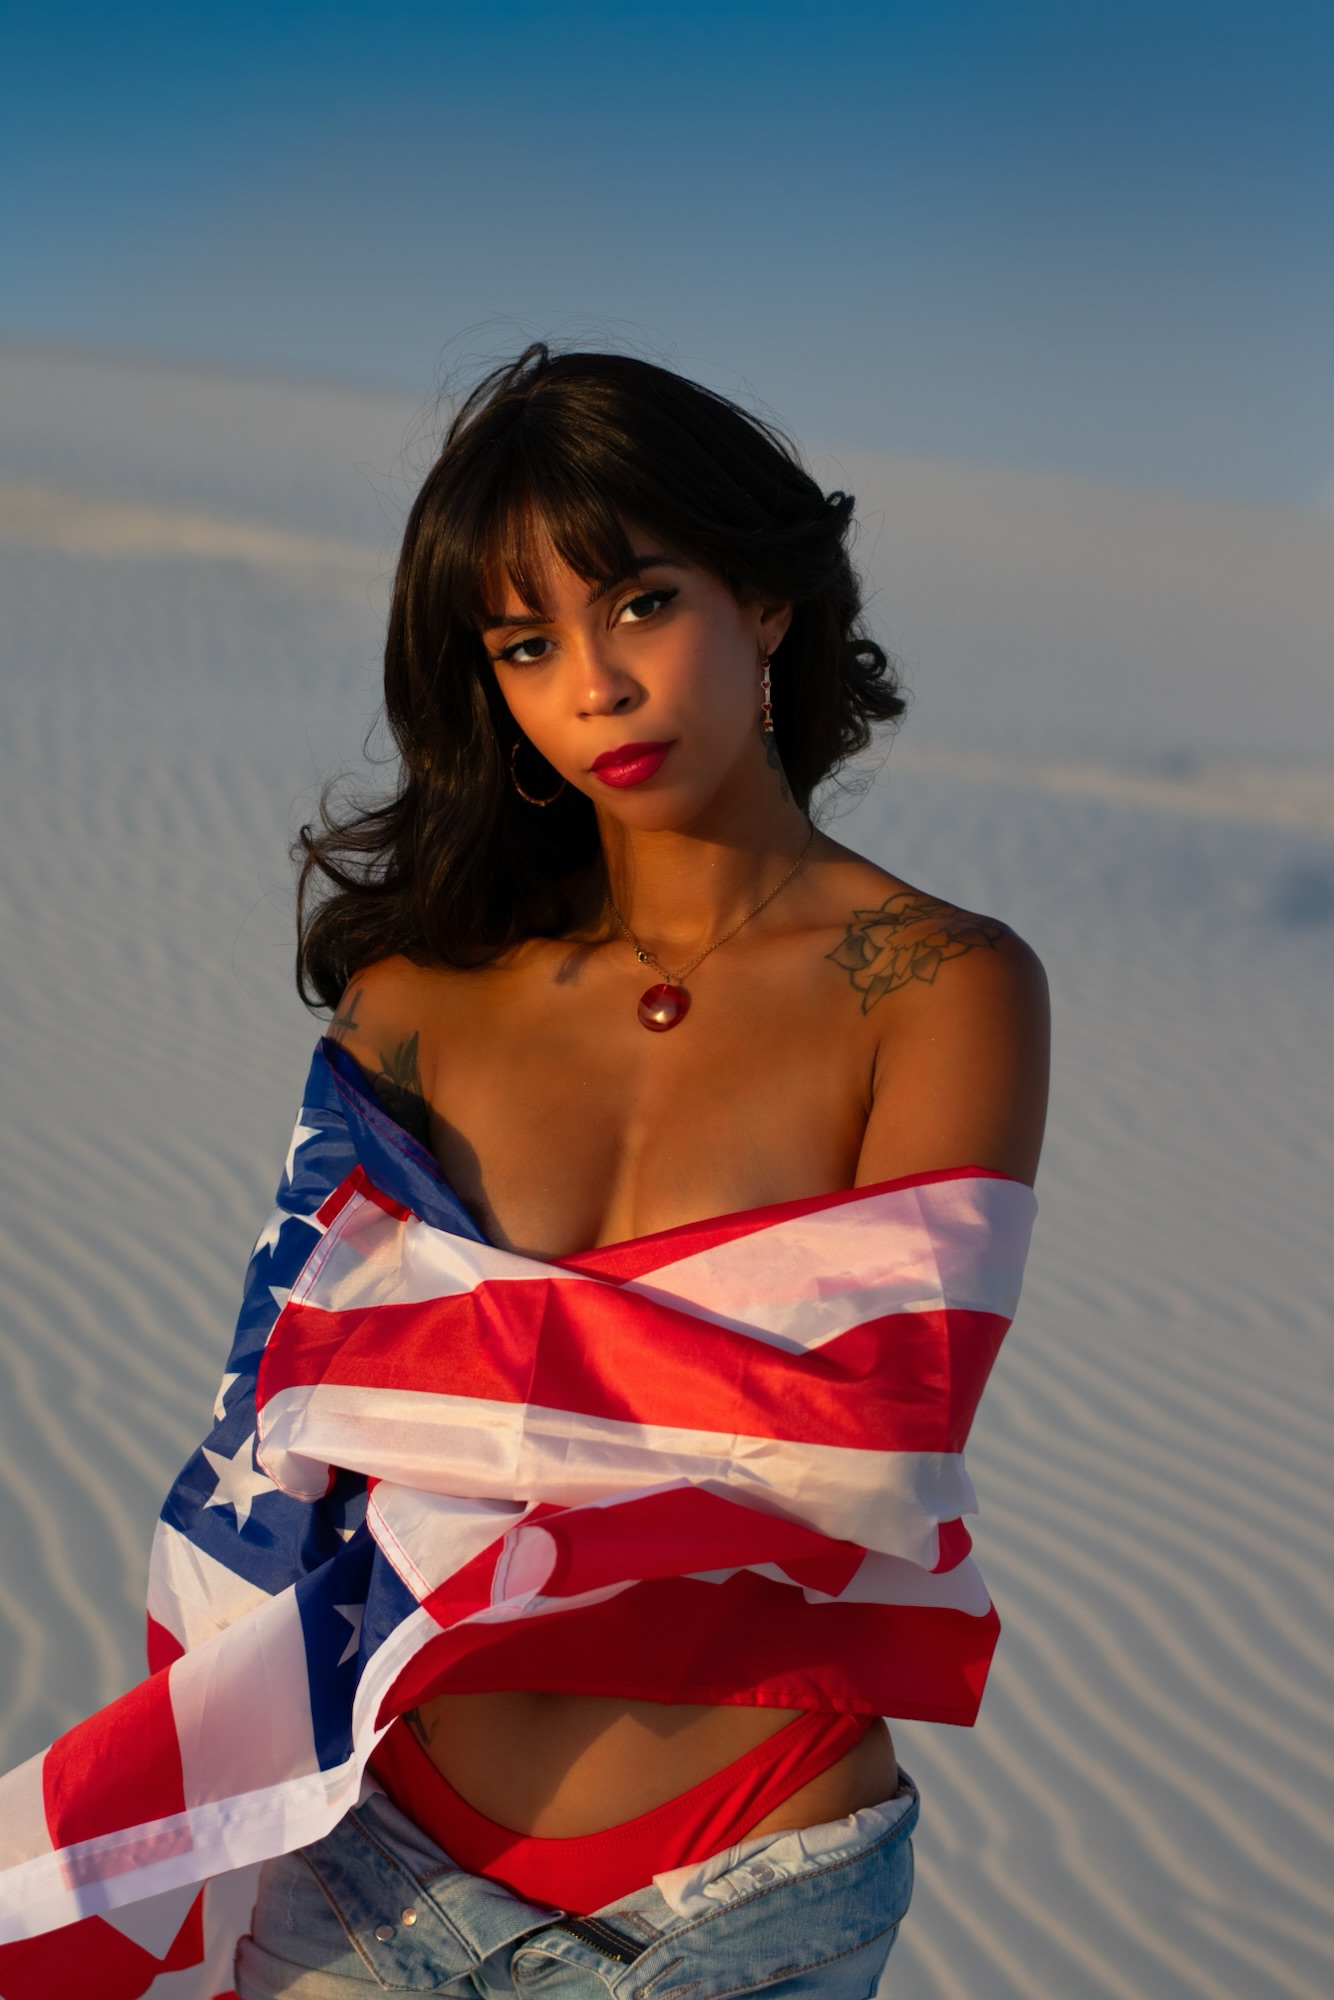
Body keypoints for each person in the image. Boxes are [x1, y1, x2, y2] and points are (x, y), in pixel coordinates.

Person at [227, 345, 1049, 1996]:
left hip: (738, 1896)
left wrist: (472, 1383)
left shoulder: (939, 989)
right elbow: (295, 1439)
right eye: (526, 644)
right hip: (370, 1862)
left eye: (640, 604)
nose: (593, 684)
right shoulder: (414, 1005)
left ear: (766, 601)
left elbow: (871, 1442)